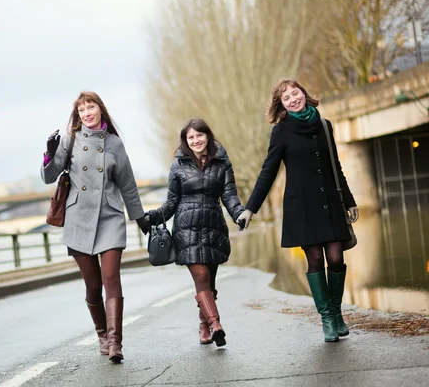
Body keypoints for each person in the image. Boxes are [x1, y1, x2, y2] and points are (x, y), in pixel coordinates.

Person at [237, 79, 359, 342]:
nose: (293, 99)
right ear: (281, 105)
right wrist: (250, 208)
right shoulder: (281, 132)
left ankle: (336, 313)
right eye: (287, 98)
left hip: (329, 203)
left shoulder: (325, 126)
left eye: (296, 93)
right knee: (315, 260)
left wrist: (349, 201)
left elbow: (335, 167)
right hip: (302, 207)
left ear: (304, 93)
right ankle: (327, 319)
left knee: (336, 258)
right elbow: (268, 172)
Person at [40, 91, 149, 363]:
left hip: (110, 216)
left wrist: (139, 217)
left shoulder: (114, 144)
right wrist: (49, 154)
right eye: (81, 110)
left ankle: (115, 343)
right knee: (93, 284)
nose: (87, 113)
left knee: (111, 277)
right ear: (77, 115)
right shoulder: (70, 140)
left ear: (100, 109)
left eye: (91, 107)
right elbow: (49, 176)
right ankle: (102, 333)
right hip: (78, 219)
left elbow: (127, 183)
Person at [145, 118, 245, 347]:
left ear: (207, 136)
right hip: (186, 229)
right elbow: (170, 203)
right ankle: (216, 324)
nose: (195, 140)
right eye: (191, 137)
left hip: (213, 227)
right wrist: (151, 217)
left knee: (209, 280)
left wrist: (239, 214)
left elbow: (229, 196)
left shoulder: (222, 163)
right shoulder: (178, 165)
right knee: (201, 276)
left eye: (199, 135)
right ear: (186, 141)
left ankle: (204, 325)